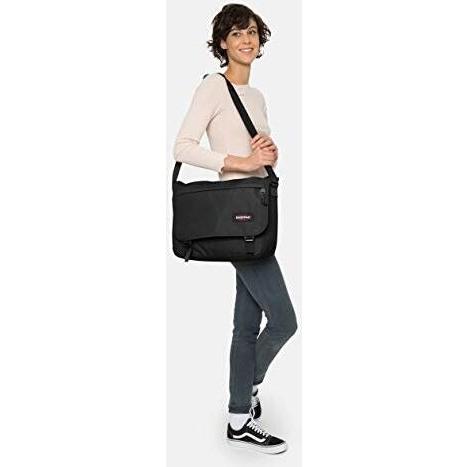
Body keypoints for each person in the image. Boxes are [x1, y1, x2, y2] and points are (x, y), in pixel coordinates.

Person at [172, 4, 298, 455]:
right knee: (284, 320)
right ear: (222, 42)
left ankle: (238, 415)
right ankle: (246, 393)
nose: (247, 40)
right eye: (237, 33)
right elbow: (183, 146)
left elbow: (255, 152)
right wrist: (241, 161)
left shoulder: (257, 96)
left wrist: (267, 154)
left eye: (253, 33)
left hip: (260, 211)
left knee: (246, 325)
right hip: (239, 217)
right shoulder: (213, 86)